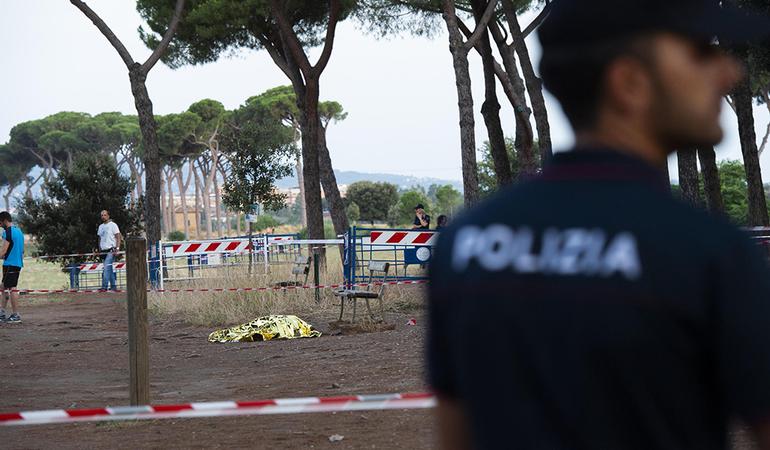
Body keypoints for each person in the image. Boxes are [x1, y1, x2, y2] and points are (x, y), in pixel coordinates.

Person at [428, 1, 770, 449]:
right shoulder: (710, 253)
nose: (729, 74)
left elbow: (456, 437)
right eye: (701, 53)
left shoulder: (464, 242)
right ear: (629, 83)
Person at [0, 211, 24, 324]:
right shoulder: (19, 231)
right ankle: (2, 313)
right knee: (3, 286)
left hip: (10, 264)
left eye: (0, 223)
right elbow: (20, 250)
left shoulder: (7, 232)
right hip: (17, 263)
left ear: (4, 220)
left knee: (12, 288)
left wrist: (2, 255)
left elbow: (3, 250)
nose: (0, 226)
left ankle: (15, 315)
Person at [97, 210, 121, 291]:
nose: (103, 216)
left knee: (106, 268)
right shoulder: (100, 227)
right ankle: (113, 286)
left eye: (105, 215)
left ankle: (104, 287)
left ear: (108, 216)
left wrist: (117, 248)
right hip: (103, 250)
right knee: (109, 268)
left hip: (111, 250)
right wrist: (99, 249)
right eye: (102, 215)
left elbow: (118, 237)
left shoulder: (113, 225)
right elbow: (99, 238)